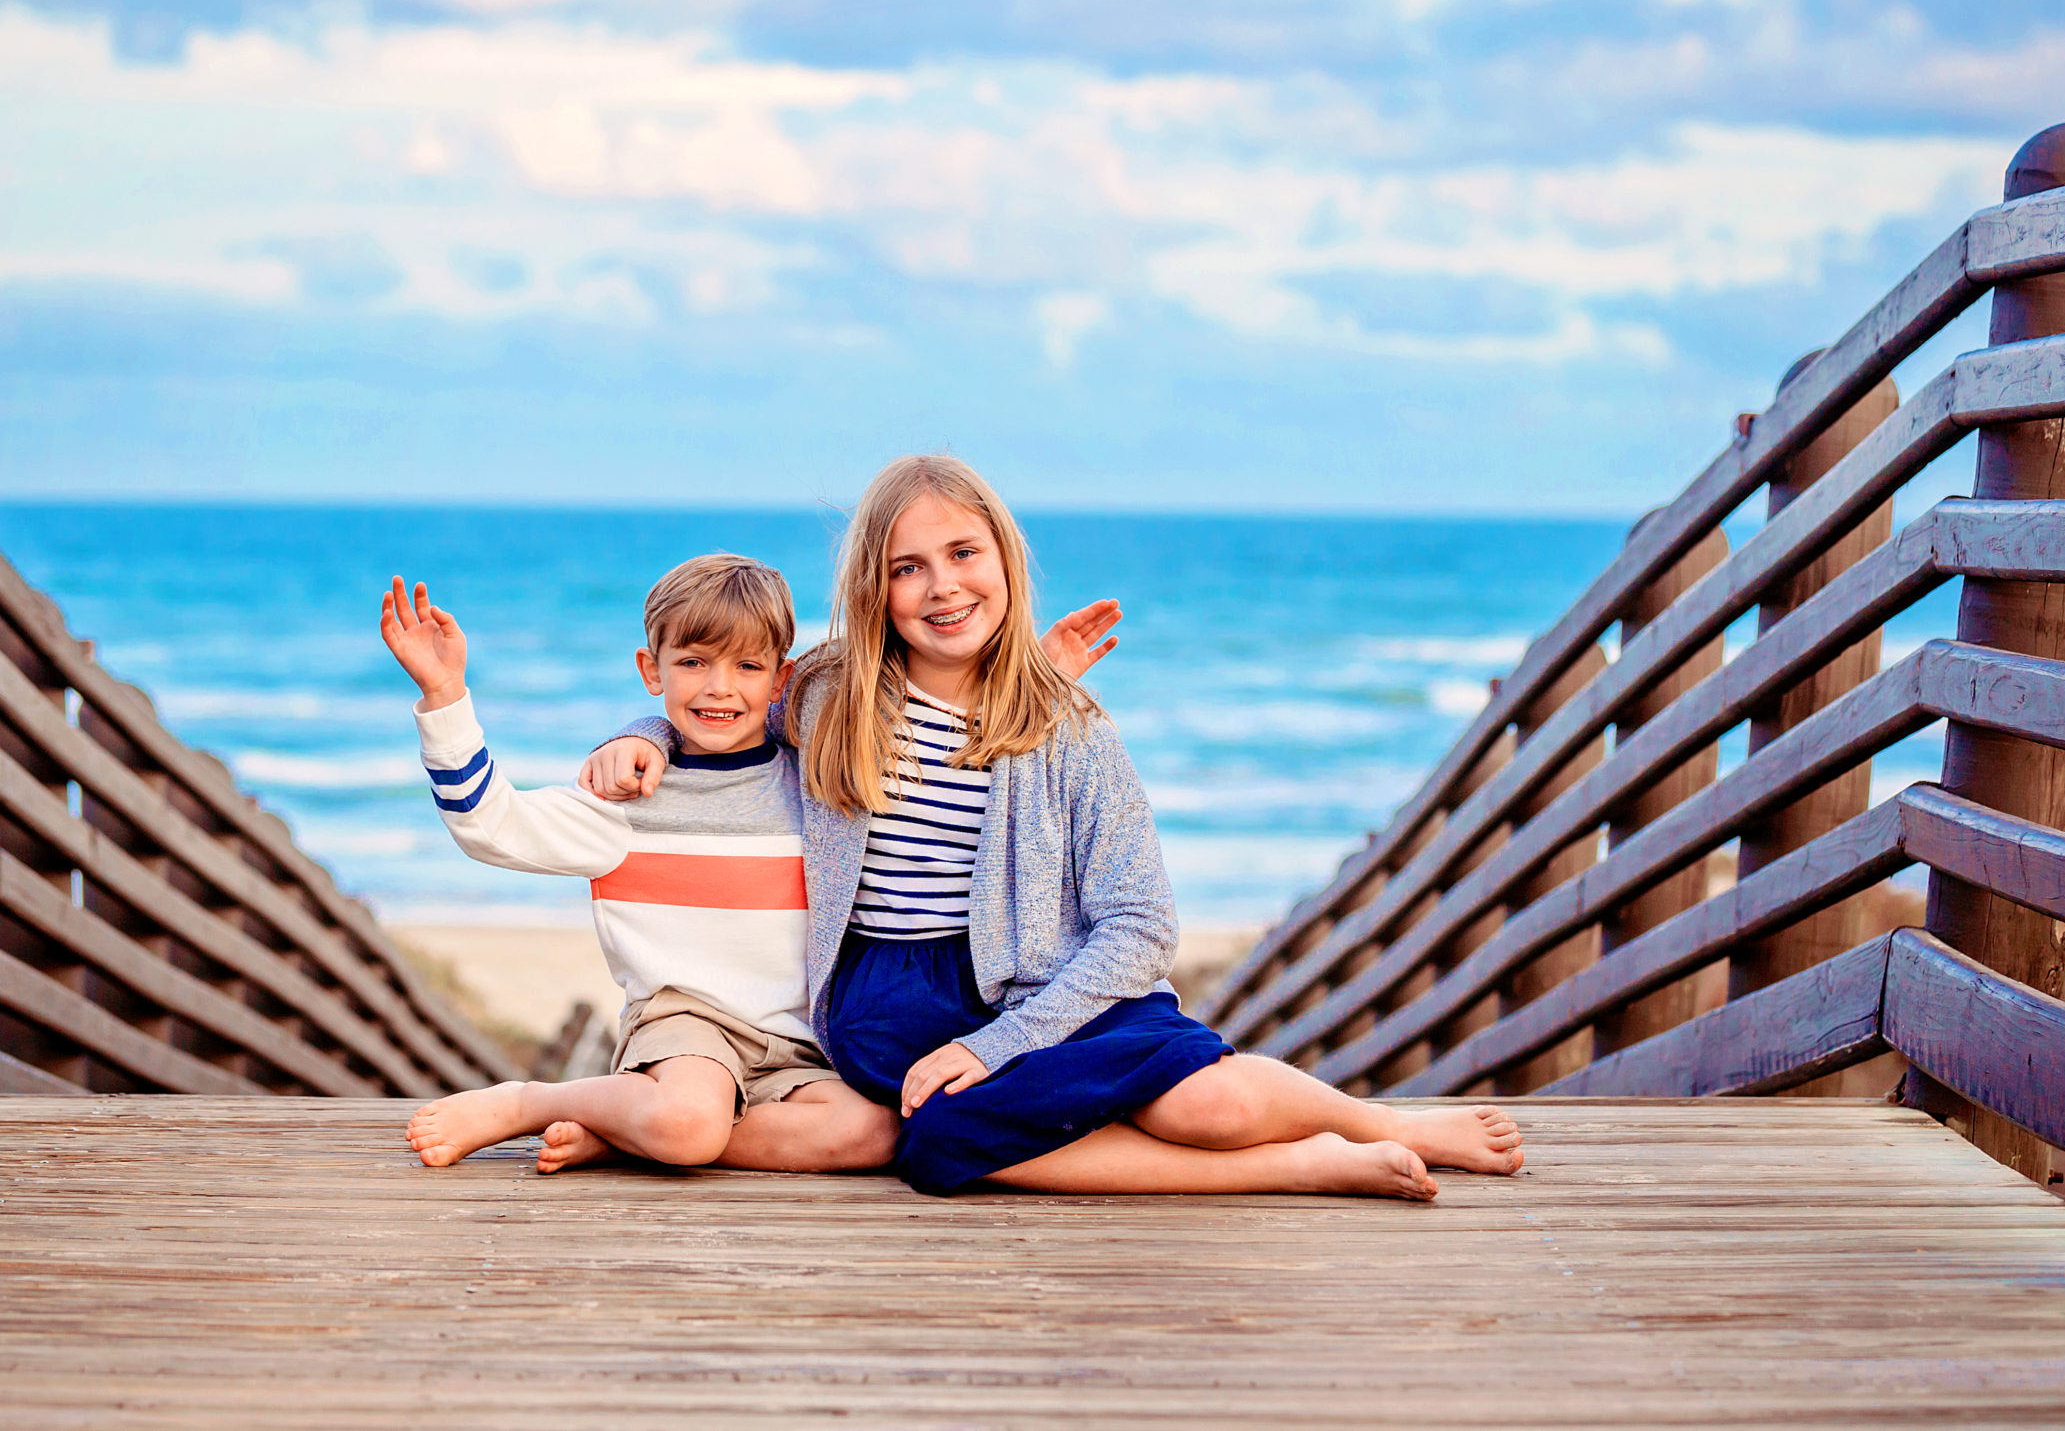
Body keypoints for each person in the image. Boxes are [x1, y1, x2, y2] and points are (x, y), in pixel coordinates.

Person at [584, 456, 1524, 1198]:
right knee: (943, 1141)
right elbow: (716, 696)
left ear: (1005, 560)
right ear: (875, 588)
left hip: (1043, 982)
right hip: (896, 995)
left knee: (1216, 1101)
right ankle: (1297, 1166)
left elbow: (1144, 925)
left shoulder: (1070, 728)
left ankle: (1378, 1123)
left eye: (963, 554)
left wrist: (997, 1044)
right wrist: (635, 737)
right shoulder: (830, 695)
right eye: (907, 567)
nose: (941, 586)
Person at [389, 550, 1124, 1174]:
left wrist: (1031, 680)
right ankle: (535, 1101)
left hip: (796, 1040)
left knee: (875, 1133)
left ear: (782, 678)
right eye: (694, 662)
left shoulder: (820, 783)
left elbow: (932, 757)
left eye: (747, 665)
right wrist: (445, 695)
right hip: (686, 1026)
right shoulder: (628, 795)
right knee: (688, 1117)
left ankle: (632, 1135)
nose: (719, 687)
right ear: (652, 668)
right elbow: (492, 825)